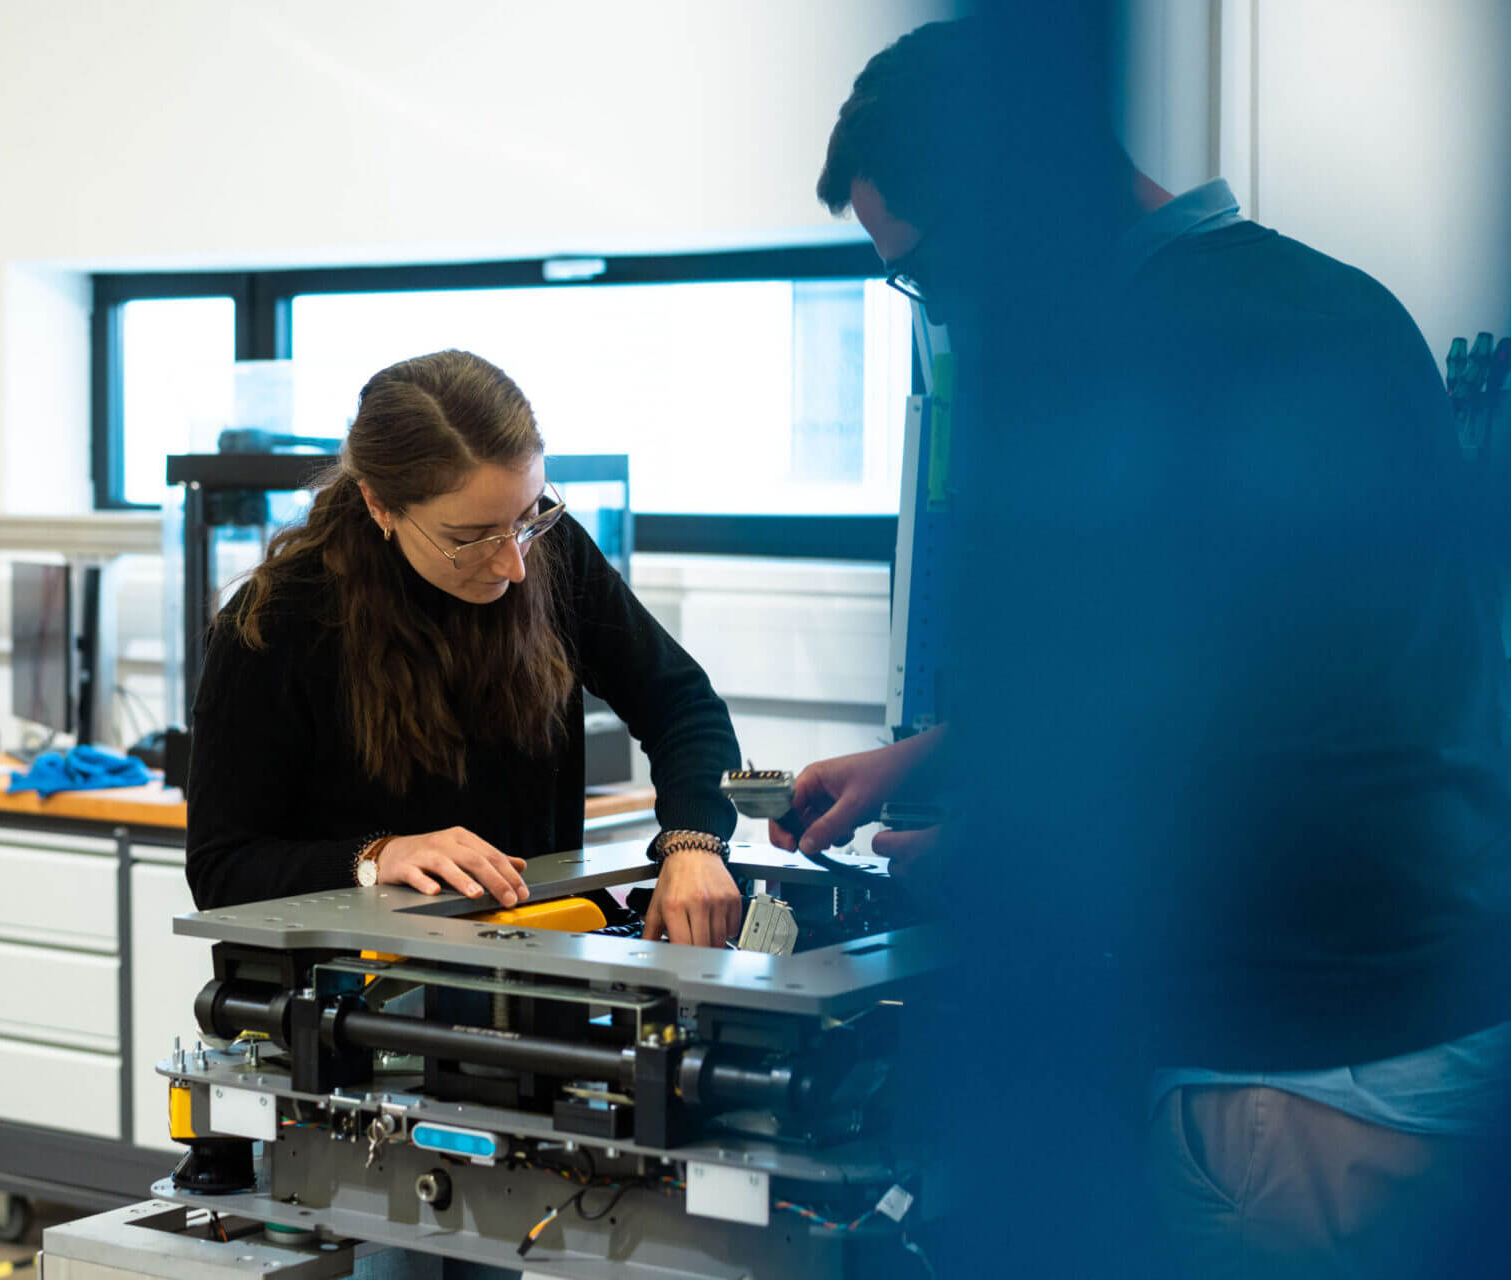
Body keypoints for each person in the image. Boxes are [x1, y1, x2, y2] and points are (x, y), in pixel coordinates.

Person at [791, 17, 1511, 1278]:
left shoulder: (1150, 372)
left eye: (933, 272)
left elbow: (1221, 754)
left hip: (1294, 1077)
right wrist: (925, 758)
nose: (946, 313)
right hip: (1429, 1021)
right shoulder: (1330, 303)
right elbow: (1240, 670)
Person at [185, 349, 746, 948]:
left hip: (541, 965)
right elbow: (224, 867)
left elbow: (681, 705)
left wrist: (694, 841)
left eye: (529, 517)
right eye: (470, 538)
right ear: (380, 505)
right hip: (364, 995)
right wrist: (377, 858)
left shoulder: (551, 554)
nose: (514, 564)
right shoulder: (276, 624)